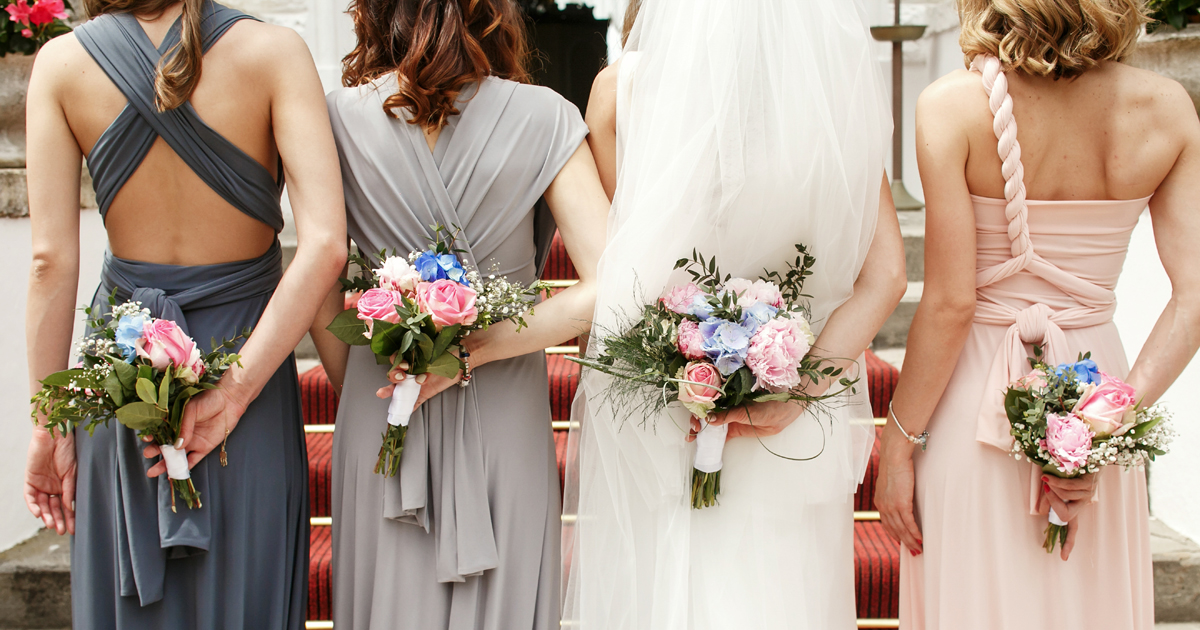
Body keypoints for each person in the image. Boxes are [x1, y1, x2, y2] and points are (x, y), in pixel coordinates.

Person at [562, 0, 907, 627]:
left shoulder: (620, 93)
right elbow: (885, 276)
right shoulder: (834, 104)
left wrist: (688, 357)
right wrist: (794, 389)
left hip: (667, 401)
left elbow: (626, 267)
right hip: (789, 421)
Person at [874, 0, 1200, 627]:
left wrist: (896, 444)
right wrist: (1105, 427)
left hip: (973, 409)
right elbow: (1193, 295)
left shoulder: (951, 107)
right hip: (1094, 391)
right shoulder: (1166, 108)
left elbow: (950, 304)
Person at [22, 0, 346, 627]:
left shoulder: (61, 64)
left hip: (122, 375)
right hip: (244, 367)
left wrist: (48, 422)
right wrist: (236, 389)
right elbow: (326, 245)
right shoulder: (275, 52)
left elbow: (49, 263)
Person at [309, 0, 611, 628]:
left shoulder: (332, 118)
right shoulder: (547, 115)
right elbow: (611, 285)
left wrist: (368, 385)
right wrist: (475, 353)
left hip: (381, 408)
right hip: (504, 414)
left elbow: (318, 278)